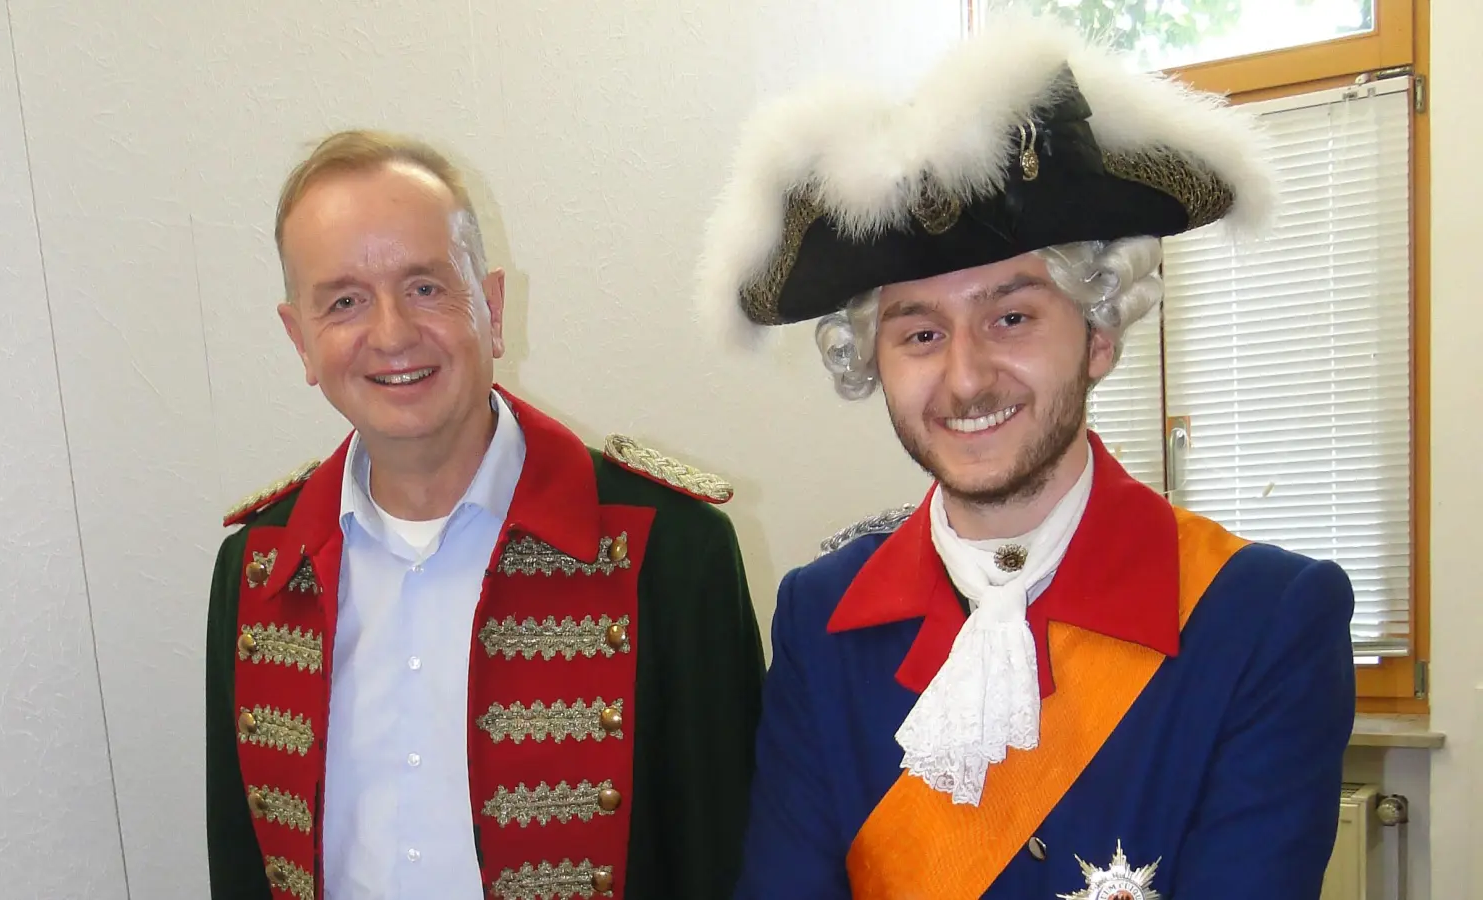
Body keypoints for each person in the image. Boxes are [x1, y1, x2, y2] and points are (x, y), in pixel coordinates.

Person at [696, 16, 1356, 900]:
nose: (967, 377)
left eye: (1012, 317)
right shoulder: (820, 618)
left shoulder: (1265, 619)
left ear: (1098, 334)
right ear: (871, 364)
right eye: (920, 333)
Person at [205, 129, 765, 900]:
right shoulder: (255, 569)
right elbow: (242, 865)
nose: (392, 333)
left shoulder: (674, 552)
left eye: (425, 287)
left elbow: (729, 864)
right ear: (300, 339)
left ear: (492, 308)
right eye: (344, 301)